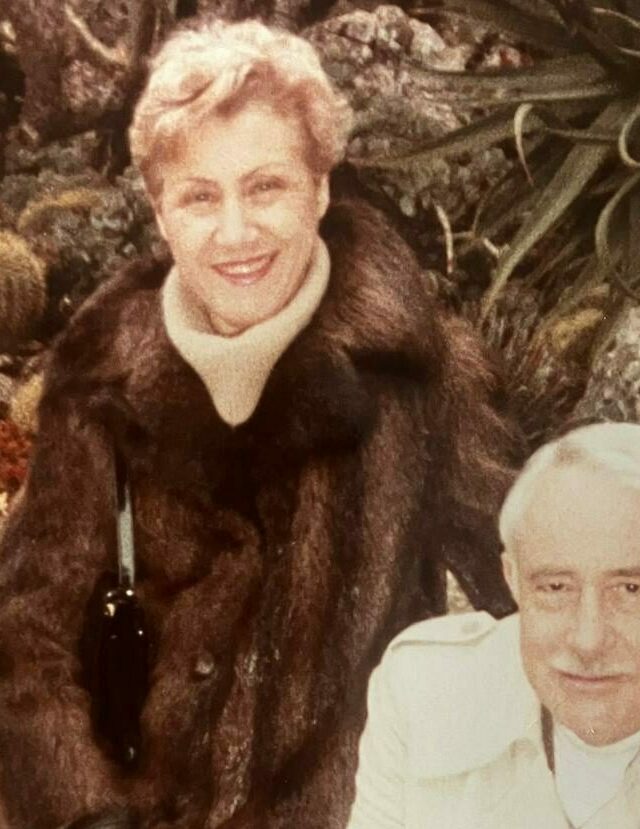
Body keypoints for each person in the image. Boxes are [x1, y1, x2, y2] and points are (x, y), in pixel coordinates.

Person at [0, 19, 521, 829]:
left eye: (266, 186)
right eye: (200, 196)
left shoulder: (412, 373)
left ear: (320, 189)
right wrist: (84, 812)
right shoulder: (100, 376)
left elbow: (535, 568)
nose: (236, 232)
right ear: (160, 212)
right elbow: (24, 632)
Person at [348, 423, 640, 829]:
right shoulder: (424, 694)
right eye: (555, 586)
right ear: (512, 579)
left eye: (631, 589)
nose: (587, 641)